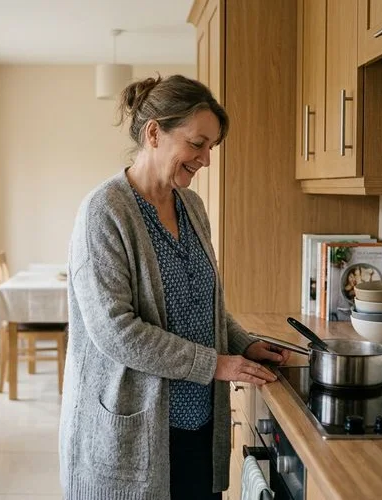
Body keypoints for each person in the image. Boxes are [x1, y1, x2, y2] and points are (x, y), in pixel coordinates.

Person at [59, 74, 291, 500]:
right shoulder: (103, 211)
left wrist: (243, 344)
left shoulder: (191, 205)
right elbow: (116, 331)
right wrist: (217, 365)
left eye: (211, 147)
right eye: (197, 143)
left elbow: (203, 303)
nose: (205, 159)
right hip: (134, 430)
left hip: (198, 422)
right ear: (154, 133)